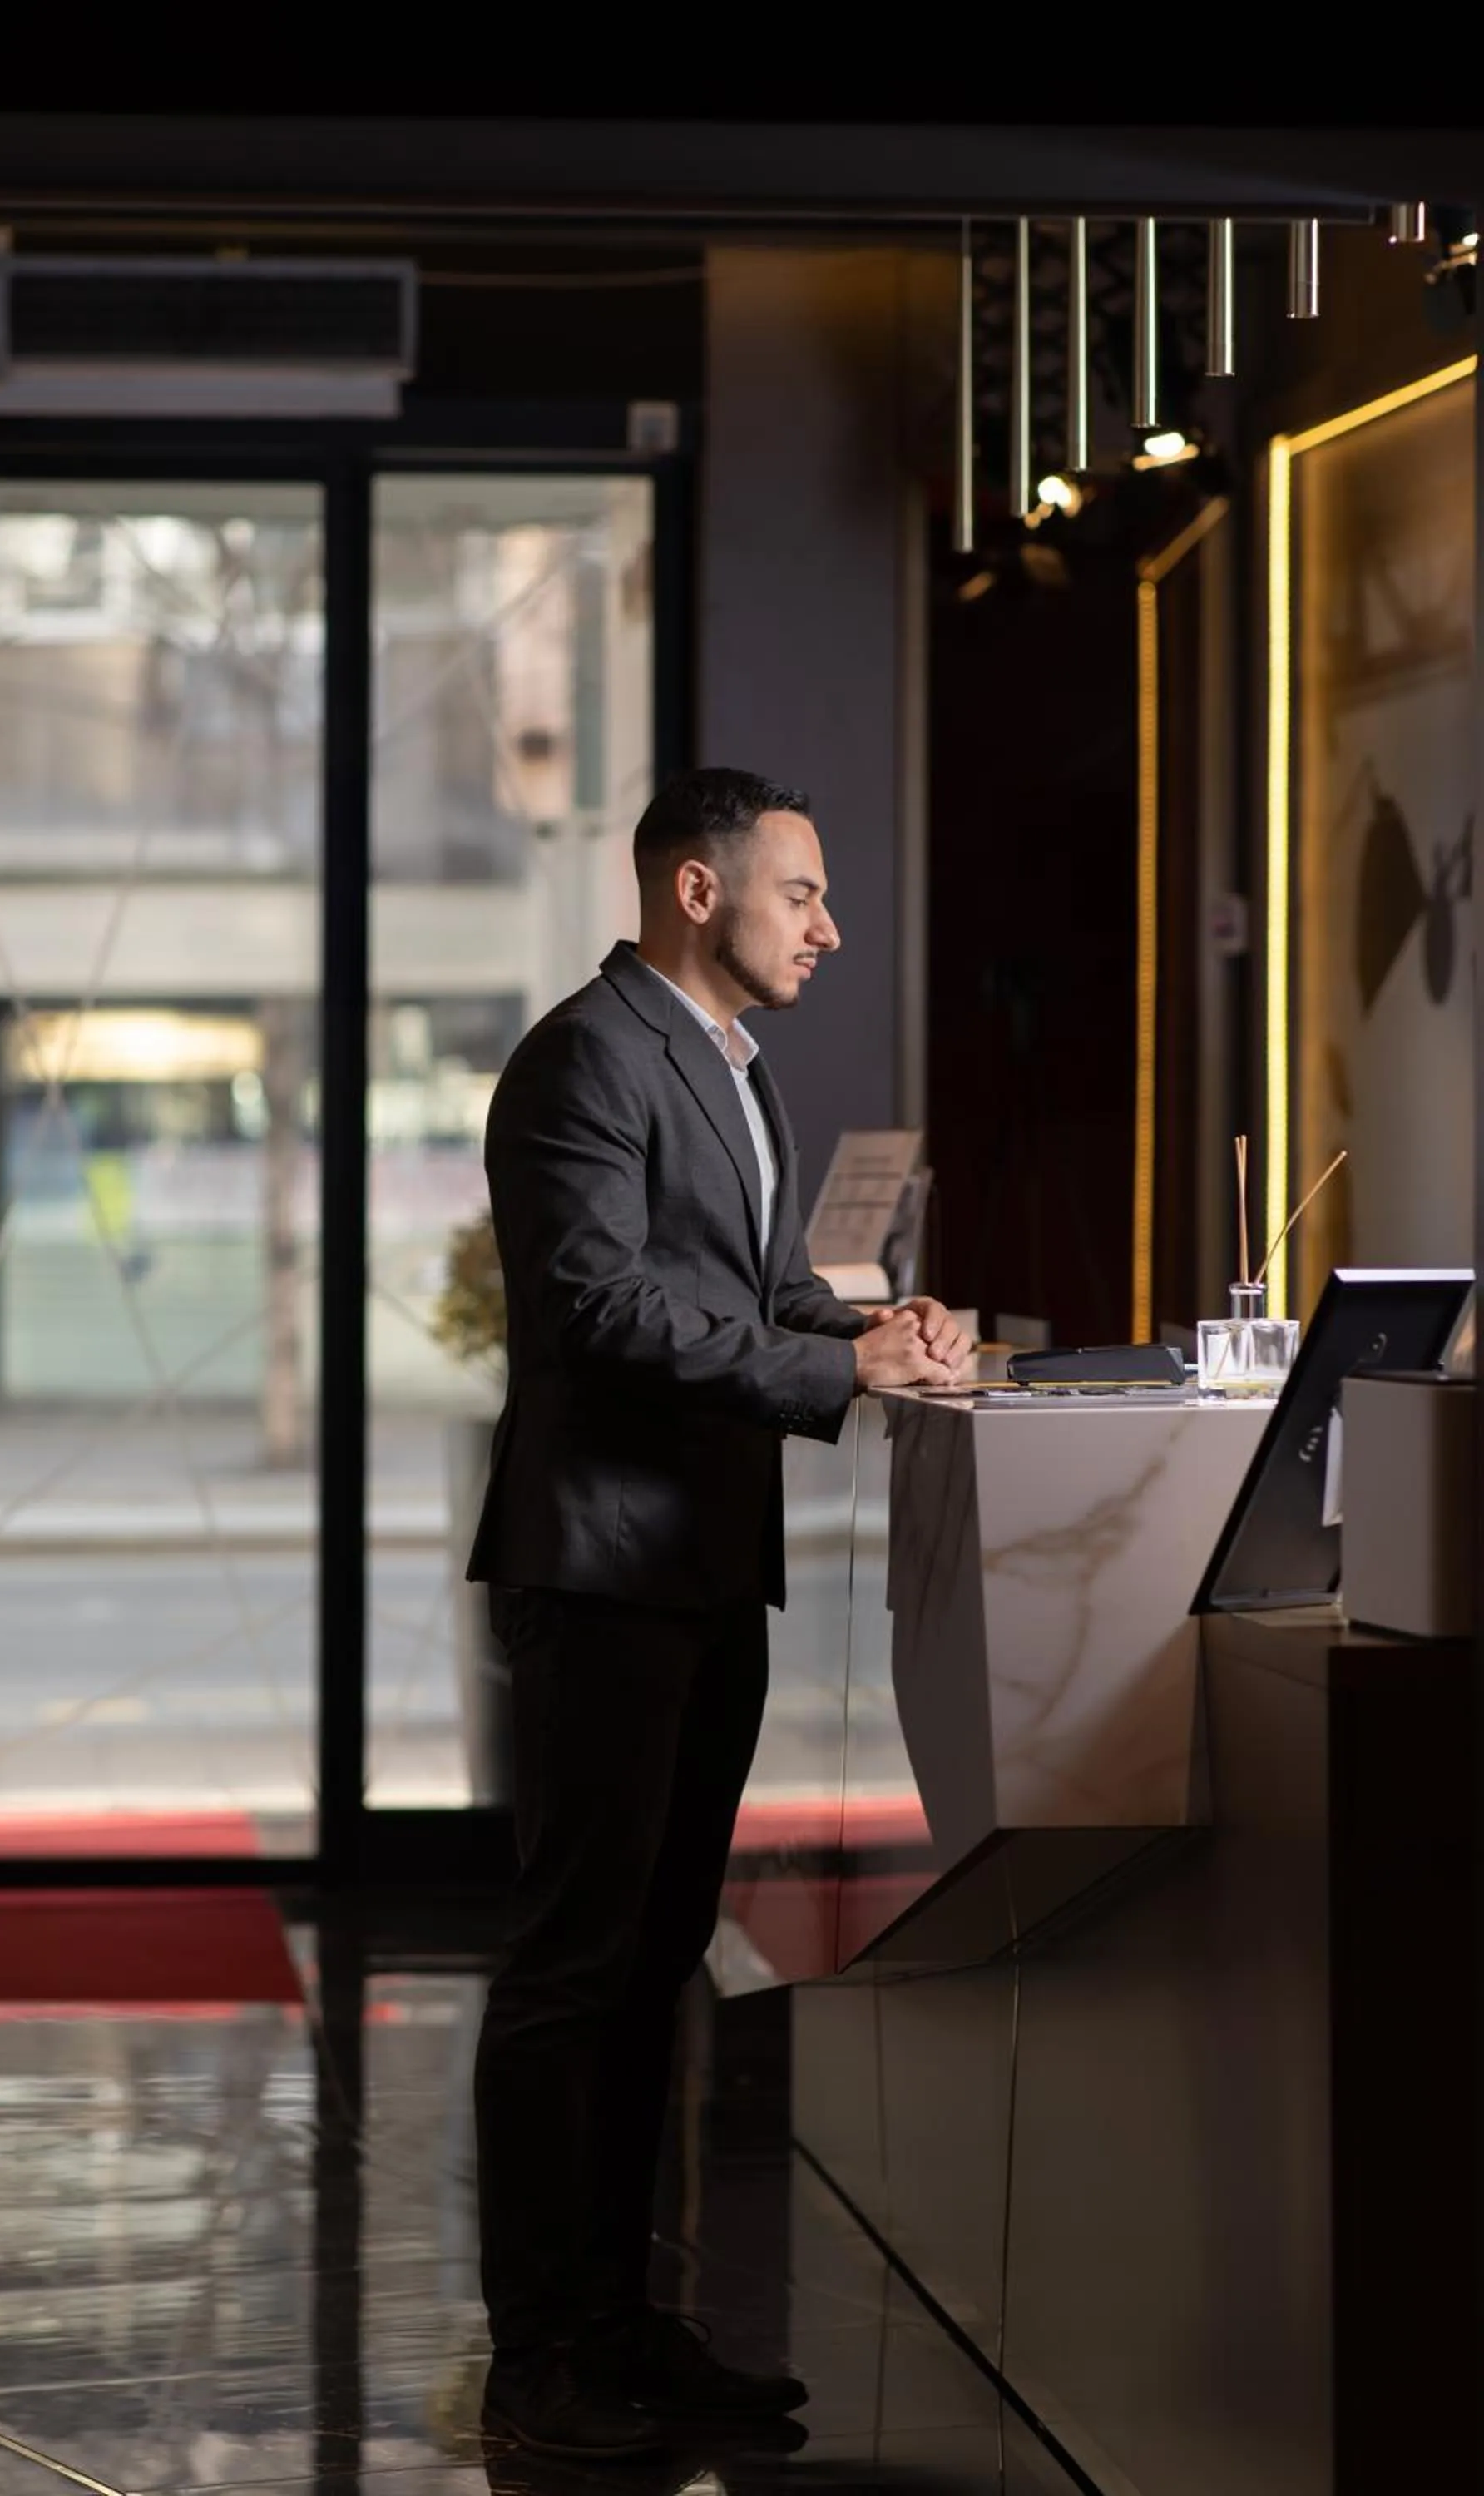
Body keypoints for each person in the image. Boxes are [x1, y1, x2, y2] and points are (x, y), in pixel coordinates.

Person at [469, 767, 972, 2460]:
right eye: (802, 894)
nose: (828, 928)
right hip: (604, 1570)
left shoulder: (732, 1065)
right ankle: (541, 2365)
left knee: (652, 1960)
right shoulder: (587, 1057)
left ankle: (619, 2328)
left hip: (697, 1569)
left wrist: (879, 1331)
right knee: (575, 1971)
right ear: (699, 889)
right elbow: (598, 1308)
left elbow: (758, 1292)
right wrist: (832, 1372)